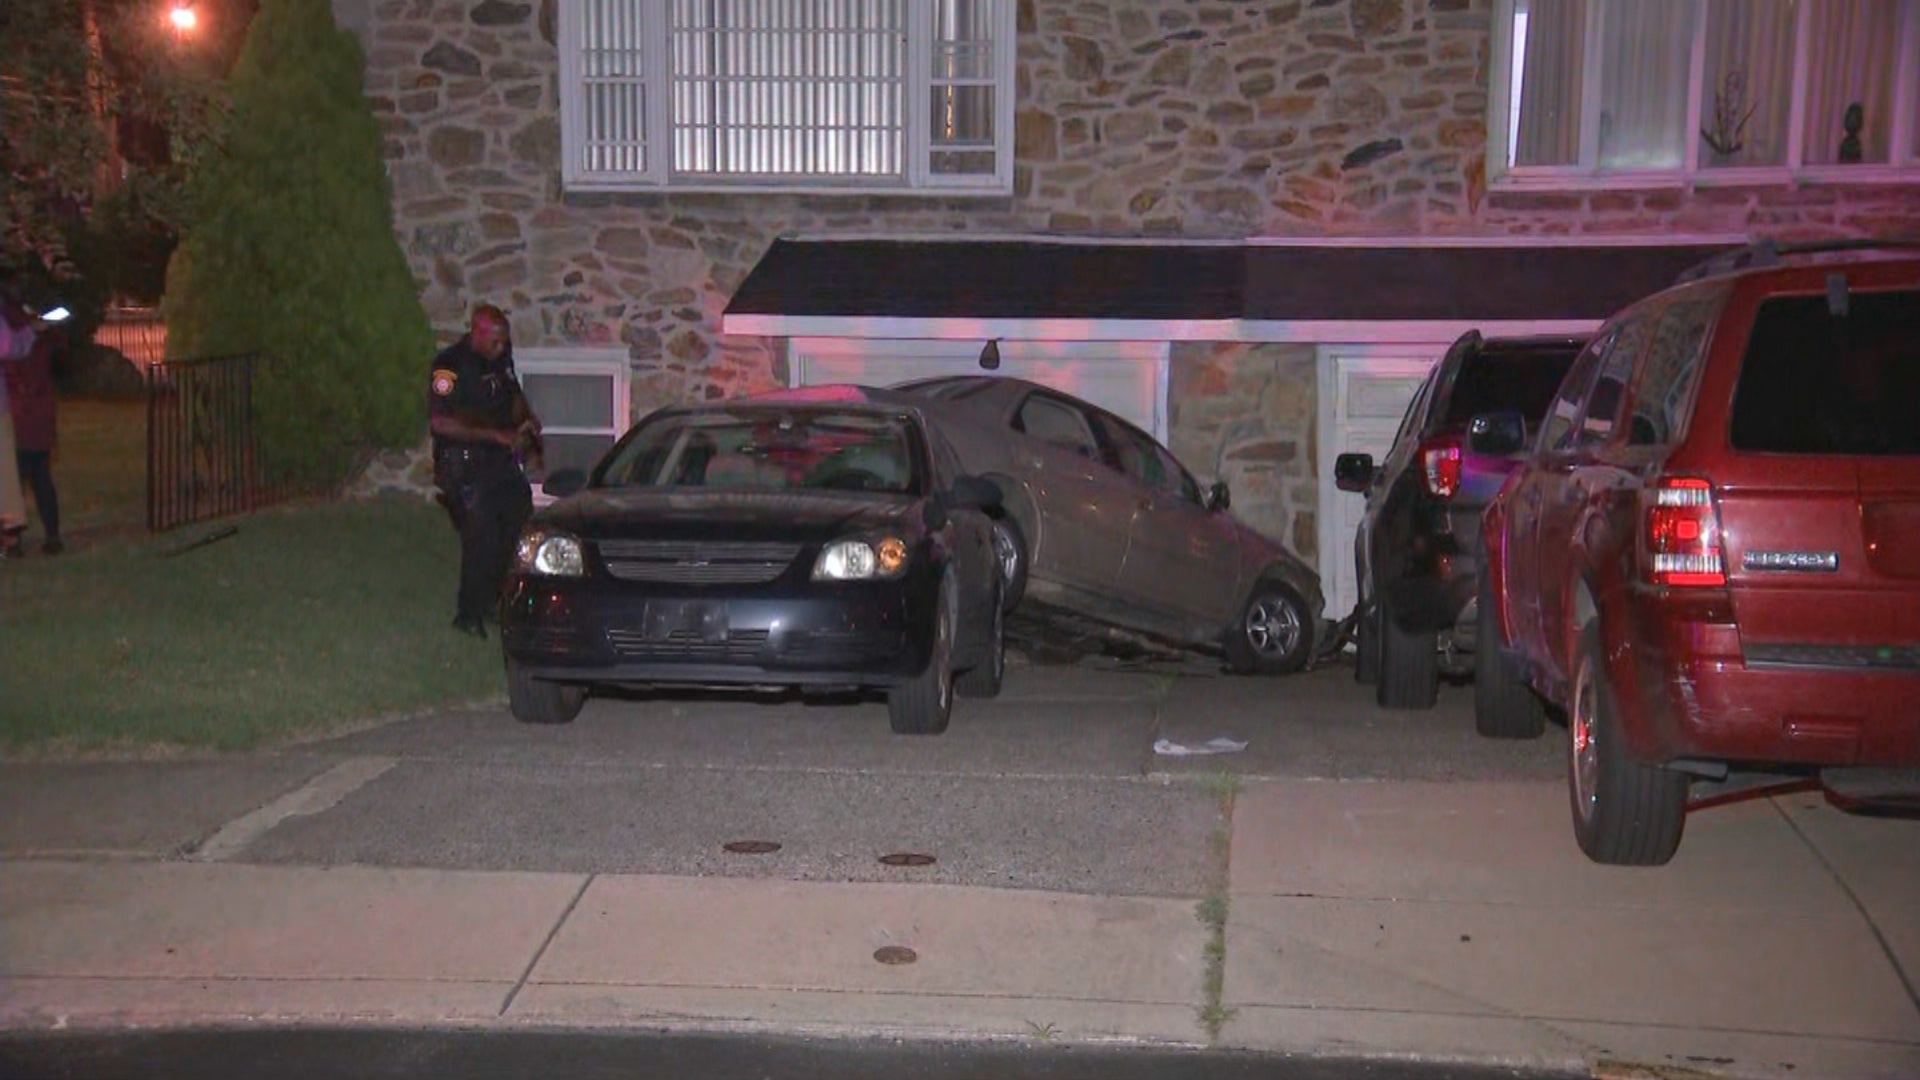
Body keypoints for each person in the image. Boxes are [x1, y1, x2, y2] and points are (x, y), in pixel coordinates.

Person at [429, 304, 542, 638]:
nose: (501, 347)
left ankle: (497, 602)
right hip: (463, 462)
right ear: (477, 332)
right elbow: (440, 422)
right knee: (482, 536)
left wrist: (527, 422)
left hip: (499, 462)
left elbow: (514, 396)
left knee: (518, 522)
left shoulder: (500, 359)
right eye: (495, 341)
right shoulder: (449, 366)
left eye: (504, 342)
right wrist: (495, 434)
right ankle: (469, 612)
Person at [3, 298, 61, 555]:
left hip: (21, 413)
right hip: (32, 412)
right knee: (37, 476)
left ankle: (14, 539)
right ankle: (49, 535)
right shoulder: (31, 337)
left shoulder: (22, 338)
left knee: (16, 479)